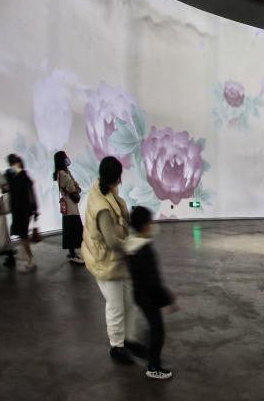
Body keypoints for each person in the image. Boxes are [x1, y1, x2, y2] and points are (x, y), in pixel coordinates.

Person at [82, 156, 142, 364]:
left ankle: (128, 339)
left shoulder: (103, 190)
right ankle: (117, 346)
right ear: (116, 178)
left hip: (116, 261)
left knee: (128, 302)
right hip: (106, 262)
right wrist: (135, 245)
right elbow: (112, 241)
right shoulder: (102, 207)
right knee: (116, 306)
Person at [125, 206, 176, 380]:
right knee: (158, 331)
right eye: (151, 222)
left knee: (153, 327)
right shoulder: (144, 251)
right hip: (149, 298)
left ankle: (148, 353)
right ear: (146, 226)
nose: (153, 225)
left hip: (140, 295)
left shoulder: (132, 245)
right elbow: (153, 280)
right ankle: (153, 366)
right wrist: (168, 299)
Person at [7, 153, 38, 272]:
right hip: (21, 210)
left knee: (23, 236)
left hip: (23, 211)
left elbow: (26, 193)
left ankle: (30, 260)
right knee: (22, 235)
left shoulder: (21, 176)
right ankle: (28, 259)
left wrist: (35, 209)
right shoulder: (19, 176)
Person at [54, 150, 84, 264]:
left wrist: (76, 187)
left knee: (71, 228)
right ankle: (77, 254)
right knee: (74, 228)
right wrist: (76, 188)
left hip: (70, 203)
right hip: (69, 204)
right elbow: (72, 187)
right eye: (65, 157)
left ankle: (73, 253)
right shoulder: (62, 173)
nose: (67, 159)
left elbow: (74, 185)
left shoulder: (65, 172)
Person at [0, 156, 14, 267]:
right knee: (0, 232)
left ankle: (10, 254)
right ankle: (9, 254)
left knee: (1, 232)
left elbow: (5, 187)